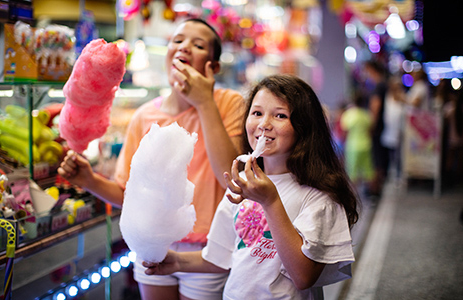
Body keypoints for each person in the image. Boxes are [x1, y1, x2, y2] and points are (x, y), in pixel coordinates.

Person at [58, 18, 245, 300]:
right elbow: (128, 195)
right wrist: (88, 179)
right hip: (152, 244)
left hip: (209, 250)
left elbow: (231, 180)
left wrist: (204, 102)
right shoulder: (144, 116)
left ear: (214, 66)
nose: (184, 48)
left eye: (198, 44)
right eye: (178, 40)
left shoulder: (230, 103)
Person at [143, 74, 360, 299]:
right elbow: (221, 255)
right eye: (257, 113)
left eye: (280, 115)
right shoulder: (242, 183)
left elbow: (303, 277)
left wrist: (270, 201)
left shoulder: (318, 195)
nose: (264, 124)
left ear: (304, 127)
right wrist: (176, 261)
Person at [363, 60, 388, 197]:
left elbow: (375, 108)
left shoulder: (377, 86)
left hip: (377, 128)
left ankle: (375, 188)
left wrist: (370, 125)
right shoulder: (383, 84)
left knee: (376, 158)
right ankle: (376, 186)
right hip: (382, 127)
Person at [340, 91, 374, 192]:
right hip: (366, 145)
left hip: (353, 146)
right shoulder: (367, 115)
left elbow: (344, 132)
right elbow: (370, 131)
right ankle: (371, 194)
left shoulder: (348, 114)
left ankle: (353, 195)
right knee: (369, 172)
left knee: (352, 173)